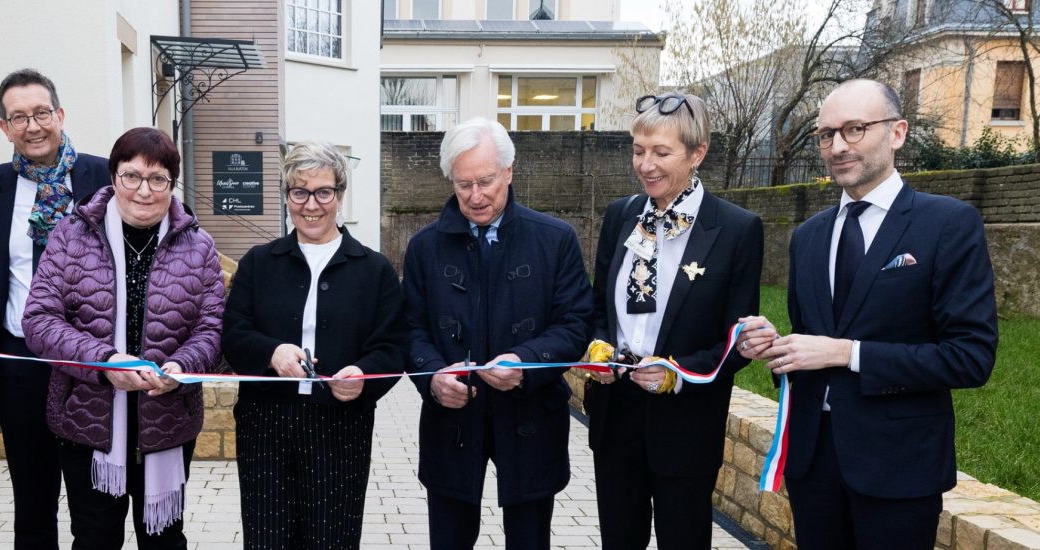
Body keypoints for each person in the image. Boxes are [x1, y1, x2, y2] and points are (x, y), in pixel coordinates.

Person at [736, 79, 997, 549]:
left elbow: (970, 357)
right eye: (825, 134)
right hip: (813, 466)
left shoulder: (948, 224)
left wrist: (848, 353)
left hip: (899, 468)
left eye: (855, 129)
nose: (837, 146)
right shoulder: (808, 237)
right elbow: (811, 346)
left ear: (897, 133)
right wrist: (777, 350)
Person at [22, 127, 225, 549]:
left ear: (172, 183)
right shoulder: (69, 235)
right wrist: (104, 362)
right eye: (131, 176)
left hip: (167, 418)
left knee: (164, 539)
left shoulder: (200, 246)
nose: (144, 190)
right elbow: (40, 320)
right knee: (95, 538)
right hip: (86, 422)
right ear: (113, 177)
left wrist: (184, 368)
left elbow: (212, 328)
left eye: (158, 179)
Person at [400, 117, 593, 550]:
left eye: (486, 181)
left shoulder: (555, 239)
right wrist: (432, 376)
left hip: (530, 416)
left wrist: (525, 363)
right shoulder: (423, 246)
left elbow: (576, 322)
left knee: (529, 541)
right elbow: (410, 329)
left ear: (509, 170)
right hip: (451, 421)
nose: (475, 196)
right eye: (462, 183)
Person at [583, 93, 763, 549]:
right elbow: (597, 306)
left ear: (697, 152)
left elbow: (737, 340)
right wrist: (598, 344)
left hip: (685, 422)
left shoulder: (738, 228)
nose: (646, 165)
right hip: (616, 412)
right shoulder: (621, 216)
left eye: (661, 152)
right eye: (638, 151)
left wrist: (677, 373)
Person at [222, 141, 408, 549]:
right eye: (299, 192)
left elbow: (392, 346)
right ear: (286, 196)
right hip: (265, 424)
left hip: (340, 426)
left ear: (340, 196)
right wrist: (272, 352)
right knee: (267, 538)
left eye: (324, 192)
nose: (311, 205)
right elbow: (233, 332)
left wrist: (363, 377)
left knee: (332, 539)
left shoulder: (373, 269)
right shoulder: (259, 261)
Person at [0, 69, 113, 550]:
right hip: (20, 362)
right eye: (18, 117)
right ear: (4, 127)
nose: (32, 126)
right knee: (32, 501)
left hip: (94, 362)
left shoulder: (106, 177)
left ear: (60, 115)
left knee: (94, 505)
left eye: (41, 113)